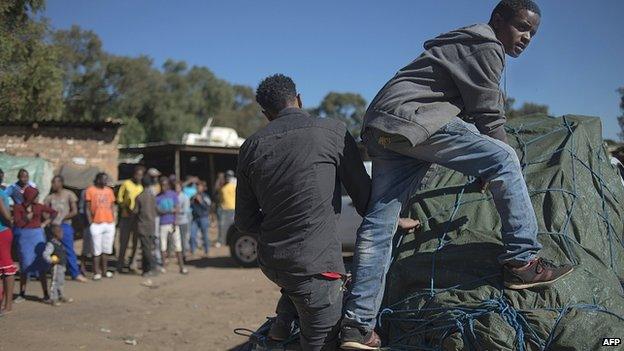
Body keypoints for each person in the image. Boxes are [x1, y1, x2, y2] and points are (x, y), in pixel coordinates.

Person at [341, 1, 573, 349]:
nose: (526, 38)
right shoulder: (487, 44)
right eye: (522, 27)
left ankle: (357, 326)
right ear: (498, 20)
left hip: (383, 126)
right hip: (413, 119)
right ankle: (523, 259)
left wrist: (481, 161)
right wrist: (493, 160)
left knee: (379, 225)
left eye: (533, 33)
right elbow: (489, 115)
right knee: (506, 158)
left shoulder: (465, 43)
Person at [235, 74, 371, 351]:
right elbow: (365, 198)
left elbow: (244, 220)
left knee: (296, 289)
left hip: (273, 262)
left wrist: (281, 230)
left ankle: (282, 323)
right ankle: (288, 324)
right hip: (316, 266)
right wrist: (395, 222)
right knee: (322, 342)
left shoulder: (251, 146)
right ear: (299, 99)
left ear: (265, 114)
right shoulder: (333, 131)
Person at [13, 186, 55, 302]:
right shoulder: (18, 207)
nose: (38, 198)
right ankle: (22, 293)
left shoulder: (39, 207)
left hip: (37, 237)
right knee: (25, 265)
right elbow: (17, 222)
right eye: (36, 196)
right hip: (25, 238)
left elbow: (53, 213)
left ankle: (45, 294)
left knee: (40, 264)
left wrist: (45, 223)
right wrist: (26, 218)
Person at [44, 176, 87, 283]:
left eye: (55, 182)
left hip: (65, 225)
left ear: (61, 183)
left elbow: (74, 211)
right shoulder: (50, 197)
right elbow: (44, 211)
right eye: (52, 182)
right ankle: (50, 271)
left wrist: (62, 217)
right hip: (53, 226)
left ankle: (75, 273)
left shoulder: (69, 194)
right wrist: (49, 220)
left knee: (69, 249)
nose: (53, 184)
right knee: (51, 249)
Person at [85, 173, 116, 281]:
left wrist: (113, 219)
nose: (105, 181)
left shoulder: (109, 191)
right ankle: (96, 271)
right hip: (96, 223)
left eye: (106, 179)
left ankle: (105, 270)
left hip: (109, 223)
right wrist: (91, 222)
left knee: (106, 249)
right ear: (98, 179)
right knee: (96, 250)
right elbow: (87, 208)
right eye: (103, 179)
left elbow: (112, 206)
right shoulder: (90, 190)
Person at [156, 177, 188, 274]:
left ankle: (181, 267)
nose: (163, 187)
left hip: (173, 223)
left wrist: (174, 219)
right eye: (161, 185)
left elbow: (177, 209)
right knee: (163, 246)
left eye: (165, 185)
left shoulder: (173, 195)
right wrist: (170, 210)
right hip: (163, 224)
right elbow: (158, 211)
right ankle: (164, 266)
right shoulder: (157, 197)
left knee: (178, 246)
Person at [116, 165, 145, 272]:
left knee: (136, 242)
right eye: (138, 175)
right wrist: (125, 206)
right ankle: (120, 264)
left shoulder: (142, 187)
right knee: (124, 241)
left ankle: (132, 264)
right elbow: (119, 198)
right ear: (134, 174)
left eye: (141, 176)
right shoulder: (126, 184)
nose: (139, 177)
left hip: (137, 217)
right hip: (126, 216)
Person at [42, 225, 73, 306]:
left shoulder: (60, 243)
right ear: (55, 233)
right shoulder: (51, 244)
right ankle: (53, 298)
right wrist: (51, 260)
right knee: (55, 282)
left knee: (61, 281)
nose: (62, 234)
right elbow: (45, 254)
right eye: (60, 232)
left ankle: (61, 295)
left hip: (62, 265)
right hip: (56, 266)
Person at [134, 178, 157, 276]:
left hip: (143, 226)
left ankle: (151, 268)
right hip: (152, 225)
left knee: (146, 249)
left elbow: (135, 211)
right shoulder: (152, 196)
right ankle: (146, 269)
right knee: (148, 248)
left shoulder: (139, 197)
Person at [0, 188, 16, 315]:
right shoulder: (3, 193)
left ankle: (8, 305)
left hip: (2, 233)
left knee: (7, 267)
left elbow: (7, 215)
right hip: (4, 232)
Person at [190, 181, 212, 256]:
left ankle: (207, 251)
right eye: (197, 186)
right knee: (192, 235)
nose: (198, 188)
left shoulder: (206, 196)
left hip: (203, 218)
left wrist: (201, 201)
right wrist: (192, 201)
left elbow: (208, 207)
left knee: (205, 235)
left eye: (199, 186)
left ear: (202, 188)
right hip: (195, 219)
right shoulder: (193, 196)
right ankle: (193, 251)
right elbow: (190, 206)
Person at [216, 170, 236, 247]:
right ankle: (221, 241)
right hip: (224, 210)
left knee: (233, 226)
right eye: (227, 176)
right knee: (222, 226)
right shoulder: (222, 187)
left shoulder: (234, 185)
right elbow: (218, 193)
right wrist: (219, 178)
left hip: (233, 209)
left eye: (229, 176)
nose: (228, 178)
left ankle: (231, 240)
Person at [174, 181, 191, 258]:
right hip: (174, 221)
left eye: (178, 187)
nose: (176, 189)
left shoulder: (185, 197)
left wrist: (176, 210)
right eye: (175, 187)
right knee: (176, 240)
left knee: (183, 239)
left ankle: (184, 255)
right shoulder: (173, 196)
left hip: (183, 221)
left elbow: (186, 210)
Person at [212, 172, 225, 246]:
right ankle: (220, 239)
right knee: (220, 224)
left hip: (226, 208)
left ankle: (222, 239)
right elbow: (216, 189)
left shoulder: (226, 184)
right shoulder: (218, 186)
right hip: (220, 207)